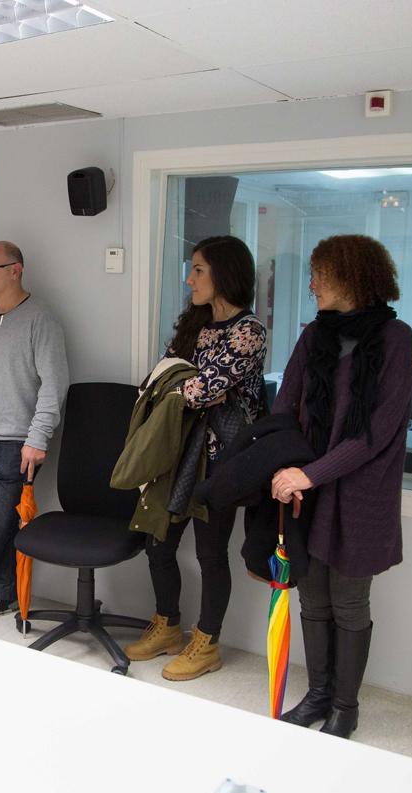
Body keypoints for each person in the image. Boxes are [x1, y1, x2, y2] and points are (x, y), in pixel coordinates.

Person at [270, 234, 412, 739]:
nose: (312, 284)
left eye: (320, 274)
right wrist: (285, 467)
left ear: (352, 278)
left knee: (349, 603)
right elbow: (284, 406)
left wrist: (310, 473)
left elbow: (377, 431)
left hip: (360, 493)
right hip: (307, 492)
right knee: (313, 600)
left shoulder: (395, 338)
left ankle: (345, 708)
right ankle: (318, 695)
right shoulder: (314, 335)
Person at [122, 235, 268, 681]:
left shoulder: (249, 331)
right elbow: (157, 381)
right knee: (158, 542)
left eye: (199, 270)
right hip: (178, 452)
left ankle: (207, 643)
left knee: (210, 553)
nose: (190, 279)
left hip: (221, 462)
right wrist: (182, 388)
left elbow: (197, 390)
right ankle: (168, 625)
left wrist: (184, 388)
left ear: (225, 273)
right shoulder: (196, 324)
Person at [0, 240, 69, 621]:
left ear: (15, 270)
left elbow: (55, 386)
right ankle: (3, 593)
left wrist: (37, 439)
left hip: (16, 445)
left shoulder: (41, 320)